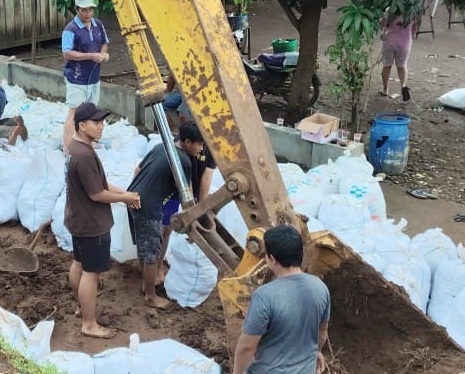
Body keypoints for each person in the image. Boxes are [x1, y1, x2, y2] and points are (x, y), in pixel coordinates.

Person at [65, 101, 140, 339]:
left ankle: (81, 306)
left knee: (78, 263)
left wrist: (124, 193)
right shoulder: (85, 155)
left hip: (78, 219)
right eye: (96, 122)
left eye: (102, 122)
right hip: (91, 223)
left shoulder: (75, 148)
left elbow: (101, 184)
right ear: (81, 125)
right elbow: (96, 194)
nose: (101, 127)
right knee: (92, 272)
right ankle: (89, 323)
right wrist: (125, 200)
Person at [126, 121, 214, 309]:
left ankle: (145, 283)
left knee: (145, 246)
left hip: (133, 198)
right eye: (199, 144)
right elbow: (187, 196)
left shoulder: (161, 148)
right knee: (152, 252)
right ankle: (150, 296)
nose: (201, 149)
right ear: (187, 142)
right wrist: (195, 216)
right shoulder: (183, 161)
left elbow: (138, 170)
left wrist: (132, 196)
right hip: (148, 207)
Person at [232, 225, 332, 374]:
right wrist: (315, 352)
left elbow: (247, 346)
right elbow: (322, 331)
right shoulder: (320, 287)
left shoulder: (264, 296)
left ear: (272, 259)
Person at [61, 0, 110, 151]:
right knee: (74, 113)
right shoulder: (70, 29)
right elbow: (67, 53)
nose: (87, 13)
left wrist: (103, 54)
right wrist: (90, 56)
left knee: (91, 112)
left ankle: (88, 142)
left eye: (90, 10)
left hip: (94, 77)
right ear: (77, 10)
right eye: (84, 10)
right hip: (77, 78)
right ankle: (67, 148)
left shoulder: (98, 24)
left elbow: (104, 42)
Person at [380, 10, 417, 101]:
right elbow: (414, 28)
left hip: (390, 41)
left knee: (387, 66)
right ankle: (403, 86)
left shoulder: (391, 9)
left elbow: (383, 23)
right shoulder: (413, 11)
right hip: (405, 42)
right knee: (402, 66)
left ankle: (385, 89)